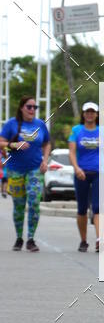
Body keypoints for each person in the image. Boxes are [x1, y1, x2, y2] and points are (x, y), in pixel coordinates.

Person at [0, 96, 50, 251]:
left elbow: (47, 143)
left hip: (35, 169)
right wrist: (13, 144)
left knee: (34, 202)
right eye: (29, 107)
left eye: (35, 108)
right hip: (15, 170)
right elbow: (1, 143)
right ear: (22, 107)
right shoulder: (11, 124)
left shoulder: (40, 124)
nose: (32, 110)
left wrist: (45, 160)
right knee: (19, 205)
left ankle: (31, 239)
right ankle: (19, 238)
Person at [69, 102, 101, 252]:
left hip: (98, 173)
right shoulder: (77, 130)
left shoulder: (103, 131)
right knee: (82, 208)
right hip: (81, 174)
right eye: (87, 112)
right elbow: (72, 152)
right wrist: (76, 168)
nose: (90, 114)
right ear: (83, 114)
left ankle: (99, 239)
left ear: (96, 114)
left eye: (92, 112)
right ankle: (83, 240)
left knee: (97, 207)